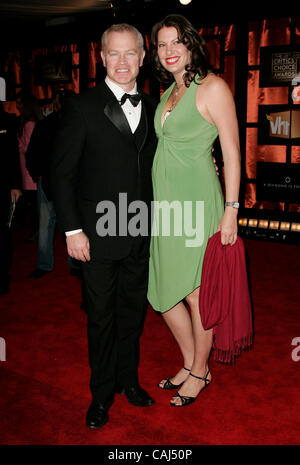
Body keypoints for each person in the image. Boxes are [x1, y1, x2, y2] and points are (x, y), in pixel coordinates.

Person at [50, 24, 158, 429]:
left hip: (141, 232)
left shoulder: (152, 106)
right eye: (115, 53)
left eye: (131, 53)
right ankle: (100, 395)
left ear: (143, 57)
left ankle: (129, 382)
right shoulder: (82, 106)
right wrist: (72, 230)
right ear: (101, 57)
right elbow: (61, 175)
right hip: (95, 237)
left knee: (132, 314)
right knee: (100, 318)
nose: (124, 61)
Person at [147, 14, 241, 407]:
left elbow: (233, 154)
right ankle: (190, 362)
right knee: (165, 293)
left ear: (190, 44)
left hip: (199, 204)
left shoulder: (213, 87)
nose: (169, 51)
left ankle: (199, 371)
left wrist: (232, 210)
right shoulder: (170, 92)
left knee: (198, 295)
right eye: (161, 45)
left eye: (175, 43)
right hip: (165, 208)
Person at [25, 89, 82, 279]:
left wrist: (37, 174)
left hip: (54, 182)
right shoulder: (77, 123)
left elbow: (32, 153)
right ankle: (73, 263)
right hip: (63, 183)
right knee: (70, 224)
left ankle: (48, 264)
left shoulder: (49, 124)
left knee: (47, 225)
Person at [0, 101, 22, 294]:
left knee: (3, 232)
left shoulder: (6, 121)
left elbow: (12, 154)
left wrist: (16, 185)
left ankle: (2, 276)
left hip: (3, 186)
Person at [16, 93, 43, 241]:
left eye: (20, 103)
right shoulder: (28, 123)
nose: (17, 106)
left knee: (34, 205)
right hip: (27, 170)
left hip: (29, 171)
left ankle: (36, 231)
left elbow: (30, 150)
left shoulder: (29, 124)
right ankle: (35, 230)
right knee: (33, 205)